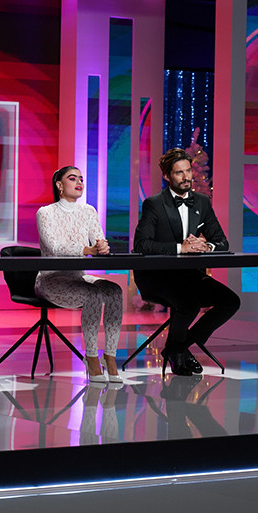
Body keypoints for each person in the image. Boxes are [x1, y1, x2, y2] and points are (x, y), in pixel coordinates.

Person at [133, 148, 240, 376]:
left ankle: (178, 347)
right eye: (179, 173)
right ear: (167, 176)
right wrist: (182, 247)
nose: (186, 177)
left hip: (190, 276)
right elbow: (141, 245)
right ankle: (178, 355)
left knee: (231, 302)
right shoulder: (154, 204)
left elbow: (222, 242)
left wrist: (206, 246)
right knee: (189, 304)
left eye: (188, 171)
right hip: (158, 276)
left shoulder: (202, 202)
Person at [35, 166, 123, 384]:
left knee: (115, 291)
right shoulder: (45, 212)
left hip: (78, 277)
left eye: (81, 179)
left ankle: (110, 356)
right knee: (93, 295)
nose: (79, 182)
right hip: (51, 279)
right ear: (59, 185)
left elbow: (98, 240)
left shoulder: (89, 211)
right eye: (72, 178)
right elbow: (54, 248)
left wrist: (102, 247)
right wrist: (87, 249)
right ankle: (91, 357)